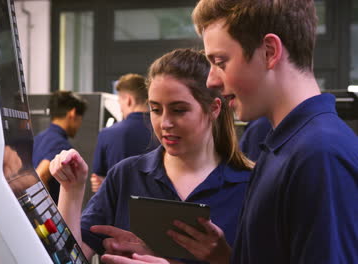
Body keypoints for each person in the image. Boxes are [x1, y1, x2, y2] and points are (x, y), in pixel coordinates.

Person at [104, 1, 358, 263]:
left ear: (269, 52)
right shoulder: (284, 148)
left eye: (220, 62)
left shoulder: (319, 155)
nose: (212, 80)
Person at [49, 48, 254, 263]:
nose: (165, 123)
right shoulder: (125, 175)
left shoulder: (249, 185)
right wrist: (71, 191)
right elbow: (68, 258)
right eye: (156, 110)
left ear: (214, 109)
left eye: (179, 110)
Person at [90, 73, 159, 192]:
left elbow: (98, 179)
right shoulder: (163, 132)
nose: (120, 108)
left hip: (119, 206)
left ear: (128, 100)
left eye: (119, 102)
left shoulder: (107, 134)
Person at [32, 90, 87, 203]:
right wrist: (49, 215)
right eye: (81, 119)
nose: (79, 125)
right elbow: (40, 176)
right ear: (72, 113)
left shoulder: (39, 138)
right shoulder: (61, 145)